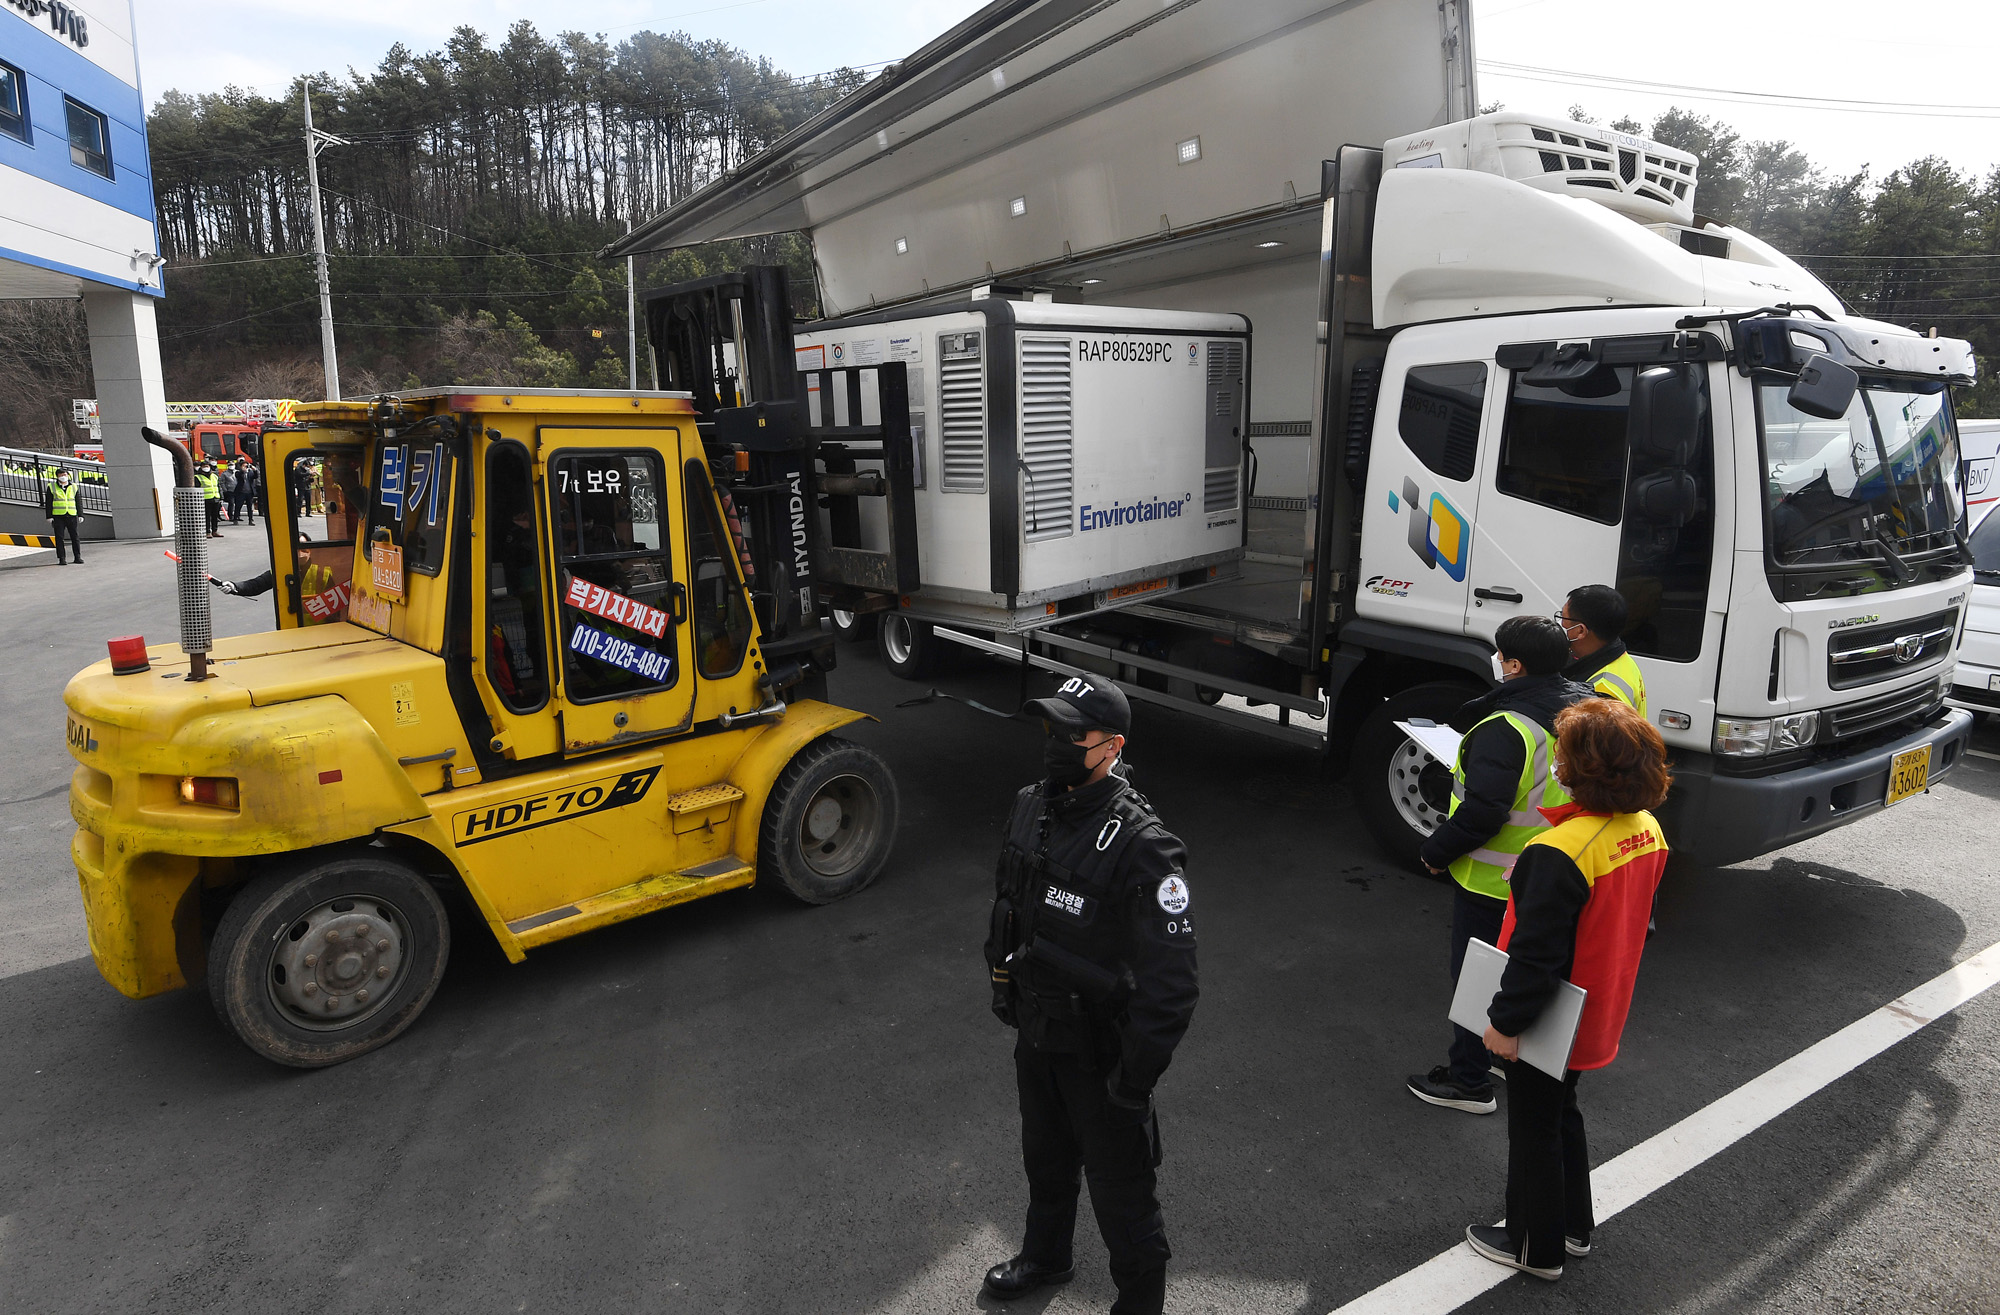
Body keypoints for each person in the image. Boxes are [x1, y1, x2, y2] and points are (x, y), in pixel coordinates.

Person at [984, 675, 1198, 1315]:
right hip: (1037, 1032)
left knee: (1122, 1194)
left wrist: (1133, 1080)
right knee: (1044, 1162)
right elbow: (1009, 906)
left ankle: (1139, 1305)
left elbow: (1172, 986)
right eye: (1050, 728)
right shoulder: (1031, 804)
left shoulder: (1144, 846)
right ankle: (1045, 1256)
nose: (1055, 743)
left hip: (1102, 1057)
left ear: (1112, 746)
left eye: (1072, 734)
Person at [1464, 697, 1672, 1281]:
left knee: (1533, 1125)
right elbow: (1642, 919)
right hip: (1600, 1002)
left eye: (1561, 752)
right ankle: (1573, 1227)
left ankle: (1533, 1245)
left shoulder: (1558, 851)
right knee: (1562, 1113)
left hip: (1551, 1012)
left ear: (1581, 771)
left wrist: (1505, 1025)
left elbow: (1536, 957)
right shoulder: (1645, 829)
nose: (1555, 760)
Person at [1406, 616, 1594, 1116]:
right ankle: (1505, 1051)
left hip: (1494, 879)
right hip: (1556, 872)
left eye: (1501, 654)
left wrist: (1435, 850)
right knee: (1528, 970)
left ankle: (1469, 1081)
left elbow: (1485, 810)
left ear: (1513, 665)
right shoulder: (1583, 707)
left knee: (1476, 978)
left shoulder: (1505, 728)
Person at [1559, 585, 1647, 719]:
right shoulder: (1621, 659)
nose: (1560, 624)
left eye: (1563, 617)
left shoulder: (1600, 694)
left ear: (1581, 630)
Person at [44, 467, 83, 565]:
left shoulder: (74, 486)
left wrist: (80, 514)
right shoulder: (52, 487)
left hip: (72, 514)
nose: (63, 477)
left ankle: (77, 557)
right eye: (61, 475)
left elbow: (78, 501)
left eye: (65, 475)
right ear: (57, 476)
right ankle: (62, 558)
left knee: (75, 537)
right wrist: (49, 516)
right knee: (59, 538)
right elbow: (48, 503)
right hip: (58, 516)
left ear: (68, 475)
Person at [197, 460, 224, 538]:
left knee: (215, 516)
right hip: (205, 499)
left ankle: (214, 531)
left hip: (215, 498)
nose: (206, 468)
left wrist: (221, 497)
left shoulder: (214, 476)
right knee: (207, 517)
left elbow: (219, 487)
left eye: (207, 466)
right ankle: (207, 531)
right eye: (204, 466)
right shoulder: (198, 477)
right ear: (201, 468)